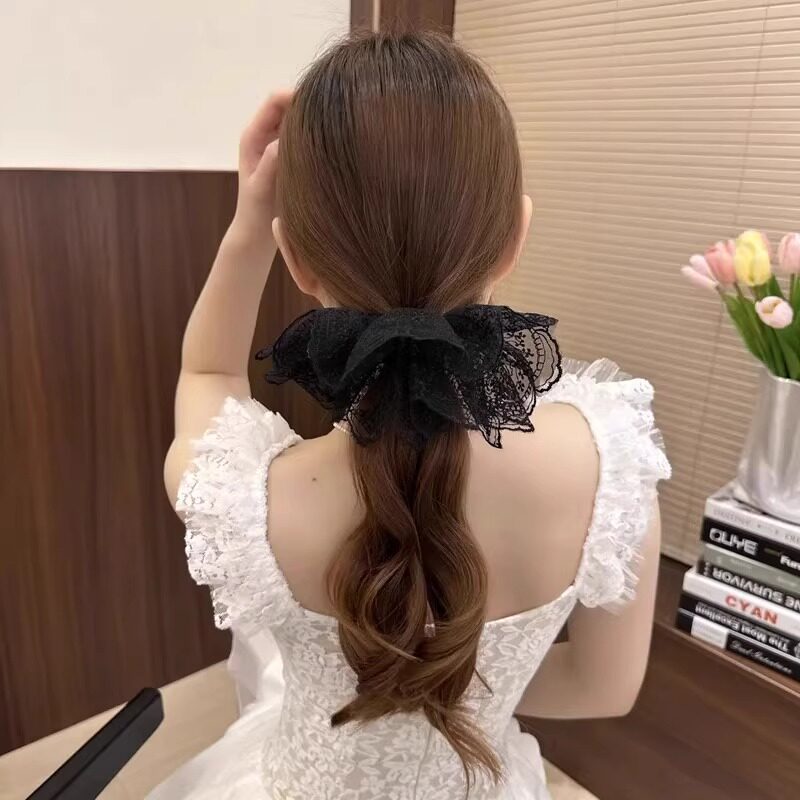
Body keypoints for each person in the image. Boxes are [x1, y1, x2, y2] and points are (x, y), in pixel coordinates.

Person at [151, 30, 671, 800]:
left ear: (296, 259)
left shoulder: (245, 500)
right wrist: (458, 682)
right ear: (514, 238)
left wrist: (251, 221)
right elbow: (604, 689)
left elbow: (208, 373)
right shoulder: (612, 467)